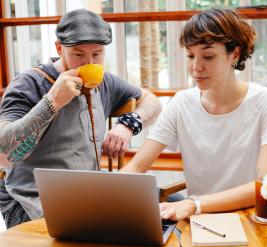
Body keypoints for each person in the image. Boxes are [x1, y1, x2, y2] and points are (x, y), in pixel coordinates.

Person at [0, 9, 161, 228]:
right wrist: (51, 102)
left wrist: (128, 125)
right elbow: (4, 155)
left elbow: (152, 102)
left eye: (97, 54)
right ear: (59, 49)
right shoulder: (28, 84)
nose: (89, 62)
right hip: (29, 200)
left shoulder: (105, 82)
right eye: (78, 54)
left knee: (158, 214)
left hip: (85, 197)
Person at [122, 9, 267, 221]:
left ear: (234, 54)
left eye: (208, 56)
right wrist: (103, 196)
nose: (196, 67)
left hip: (249, 219)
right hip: (198, 221)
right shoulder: (181, 102)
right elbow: (137, 166)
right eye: (191, 55)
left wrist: (193, 205)